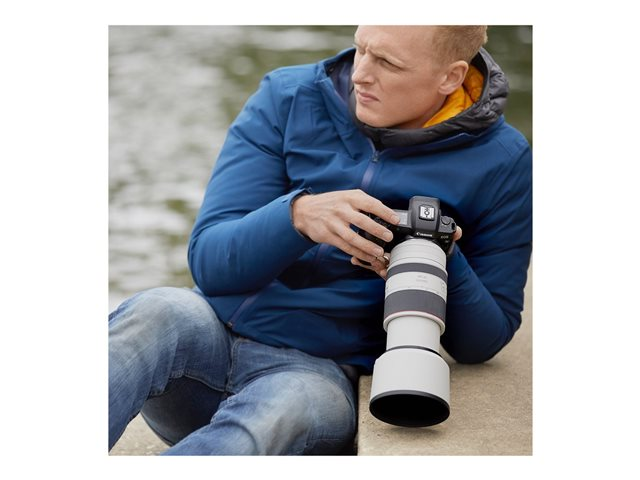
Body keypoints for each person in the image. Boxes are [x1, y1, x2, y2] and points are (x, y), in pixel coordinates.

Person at [109, 25, 532, 455]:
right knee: (155, 311)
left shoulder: (502, 159)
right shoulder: (287, 97)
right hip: (210, 340)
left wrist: (441, 257)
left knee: (278, 411)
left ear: (450, 77)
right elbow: (210, 263)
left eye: (387, 62)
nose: (361, 74)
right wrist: (296, 217)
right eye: (361, 48)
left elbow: (485, 340)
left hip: (316, 376)